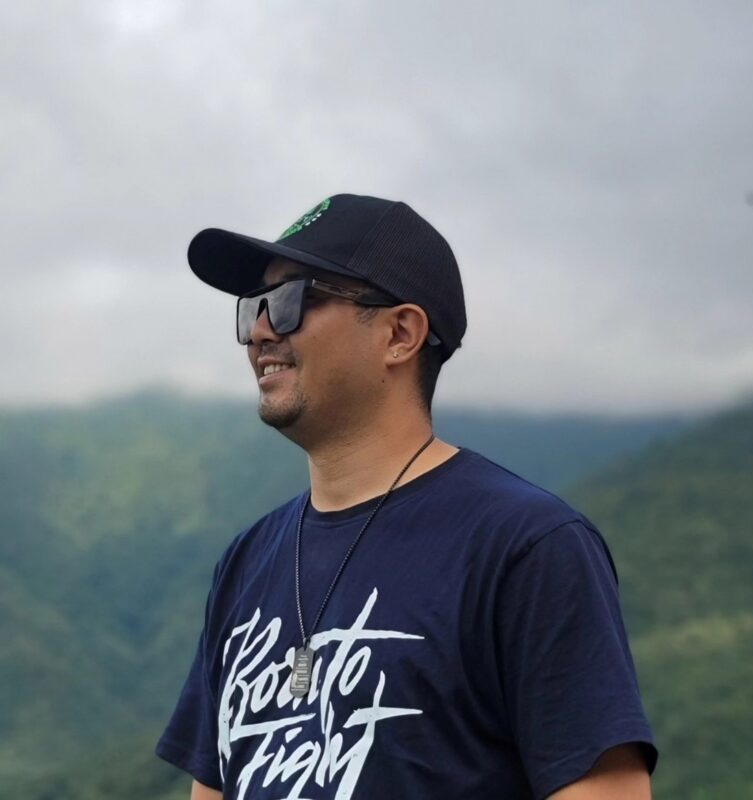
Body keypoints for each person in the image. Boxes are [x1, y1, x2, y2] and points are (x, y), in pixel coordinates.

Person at [155, 194, 658, 800]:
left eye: (290, 302)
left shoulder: (526, 547)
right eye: (251, 307)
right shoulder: (245, 561)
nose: (259, 331)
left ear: (399, 334)